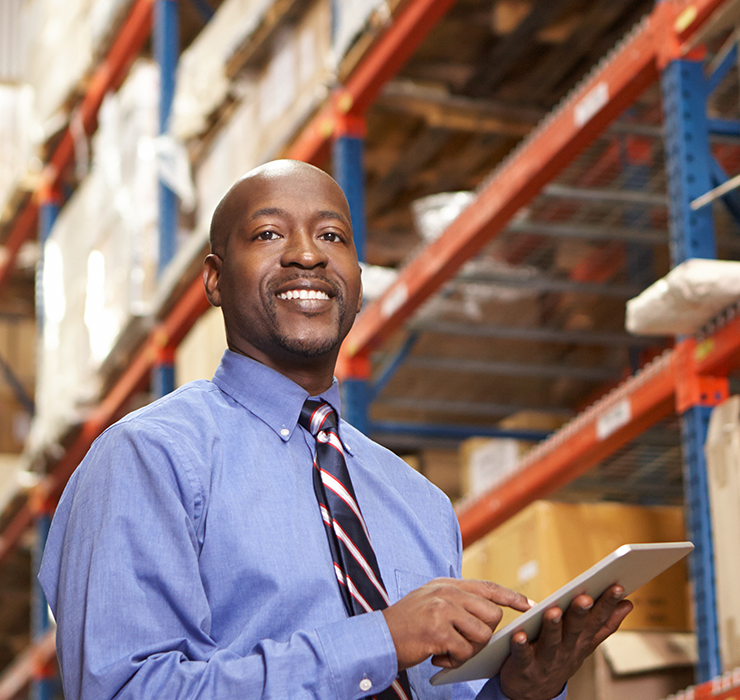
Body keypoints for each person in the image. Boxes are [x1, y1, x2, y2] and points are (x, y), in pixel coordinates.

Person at [38, 160, 633, 699]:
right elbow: (122, 690)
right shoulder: (149, 458)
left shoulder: (419, 503)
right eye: (270, 234)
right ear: (215, 280)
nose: (308, 255)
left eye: (332, 236)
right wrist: (380, 640)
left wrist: (518, 692)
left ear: (357, 277)